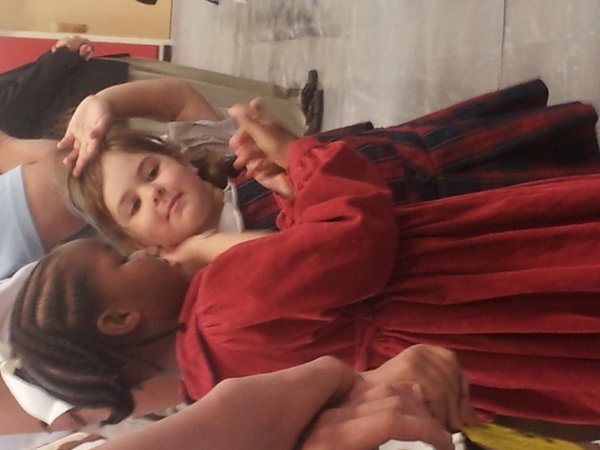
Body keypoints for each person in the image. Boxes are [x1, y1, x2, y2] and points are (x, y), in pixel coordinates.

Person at [12, 93, 600, 434]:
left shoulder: (213, 385)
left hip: (474, 355)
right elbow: (354, 240)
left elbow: (310, 278)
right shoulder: (221, 304)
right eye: (120, 259)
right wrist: (298, 152)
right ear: (120, 320)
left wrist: (287, 203)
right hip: (460, 287)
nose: (139, 255)